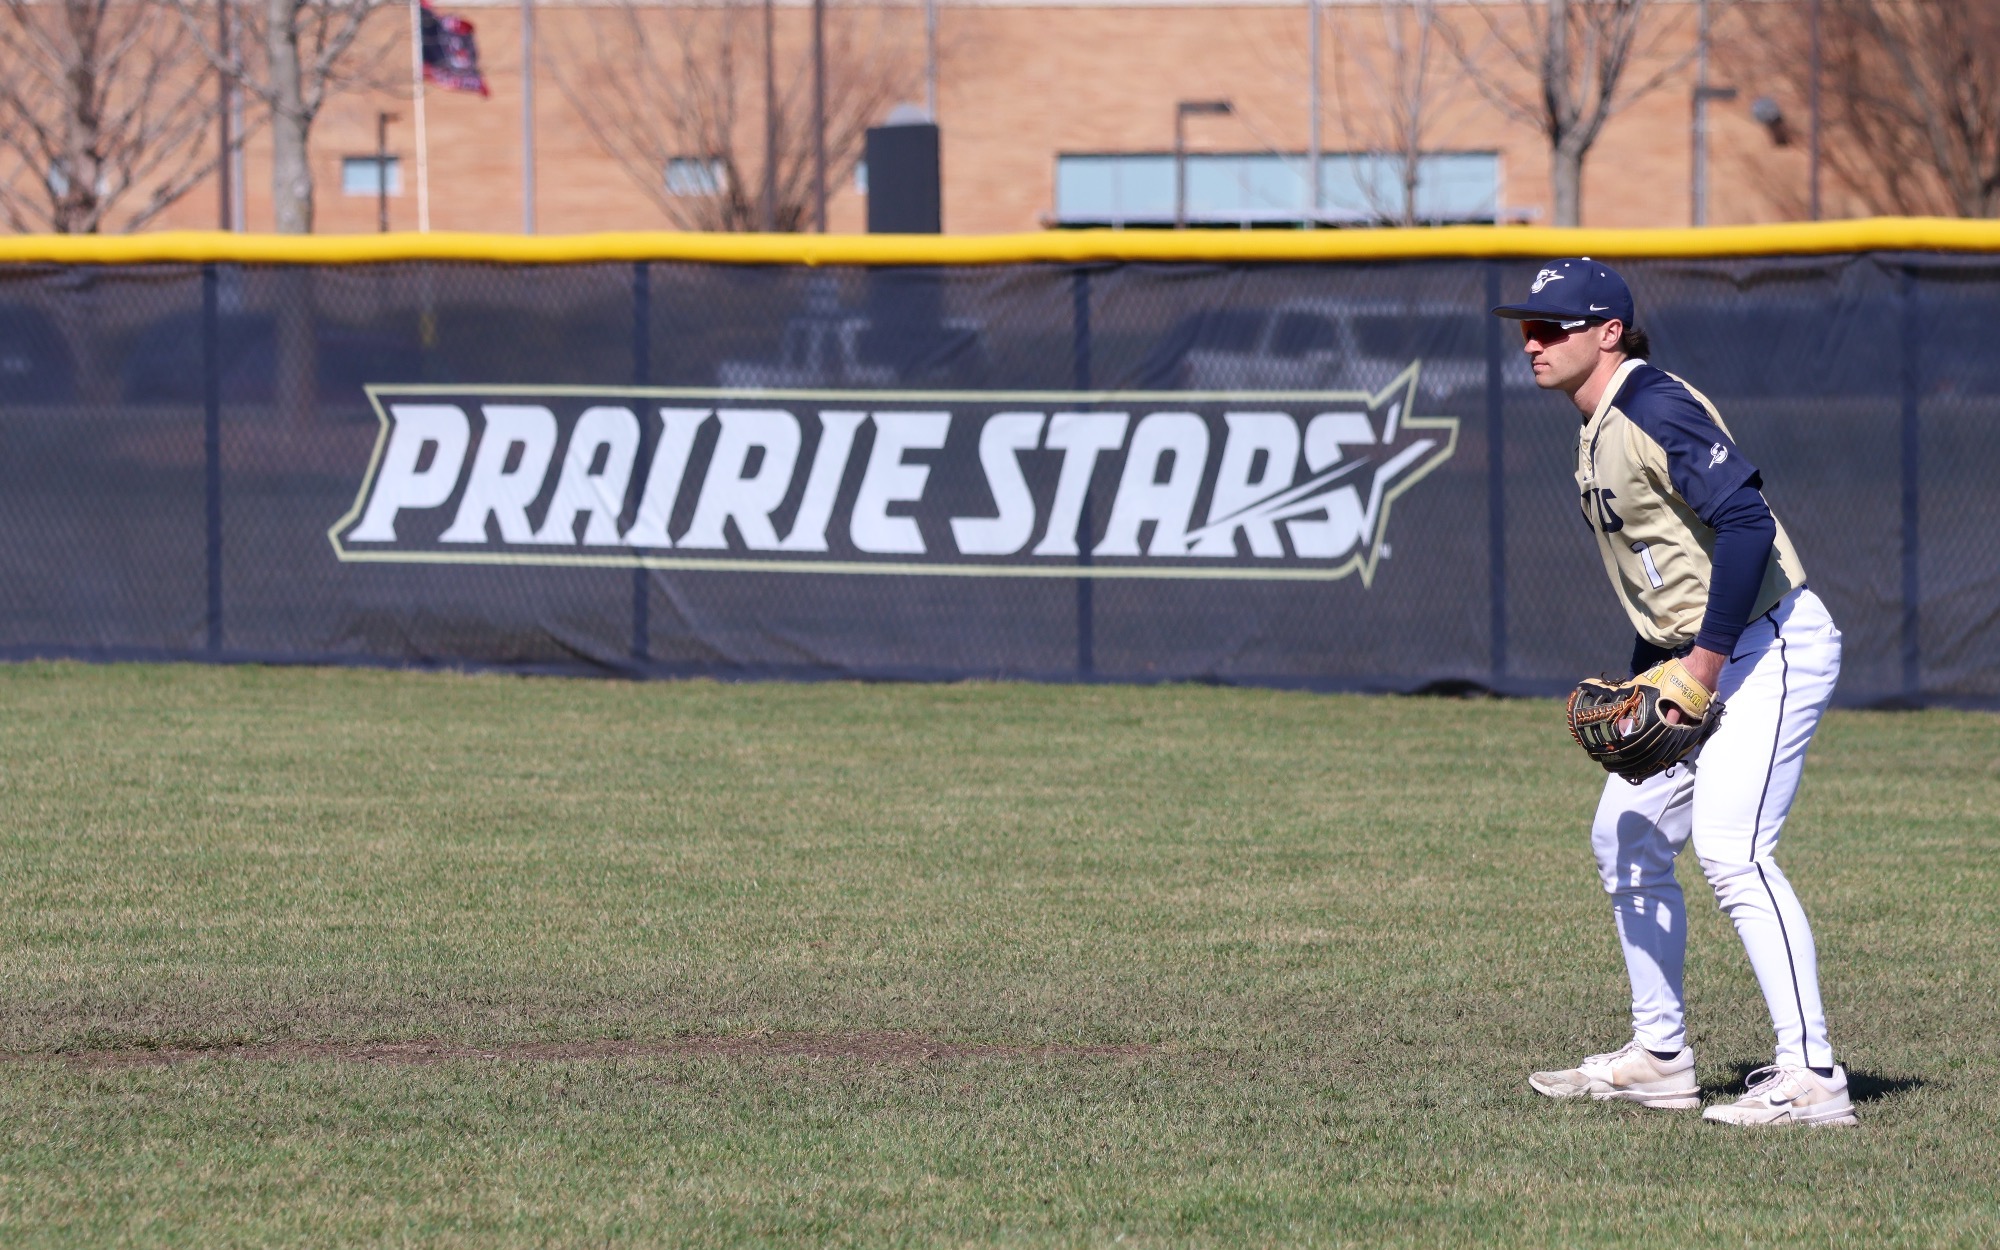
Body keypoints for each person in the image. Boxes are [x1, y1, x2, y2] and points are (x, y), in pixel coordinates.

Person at [1492, 258, 1857, 1127]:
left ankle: (1812, 1077)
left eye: (1555, 326)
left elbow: (1744, 524)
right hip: (1702, 656)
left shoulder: (1653, 404)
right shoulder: (1596, 420)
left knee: (1734, 852)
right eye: (1528, 325)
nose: (1533, 340)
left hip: (1767, 646)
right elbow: (1665, 572)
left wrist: (1699, 665)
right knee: (1624, 834)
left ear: (1609, 331)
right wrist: (1655, 672)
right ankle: (1659, 1058)